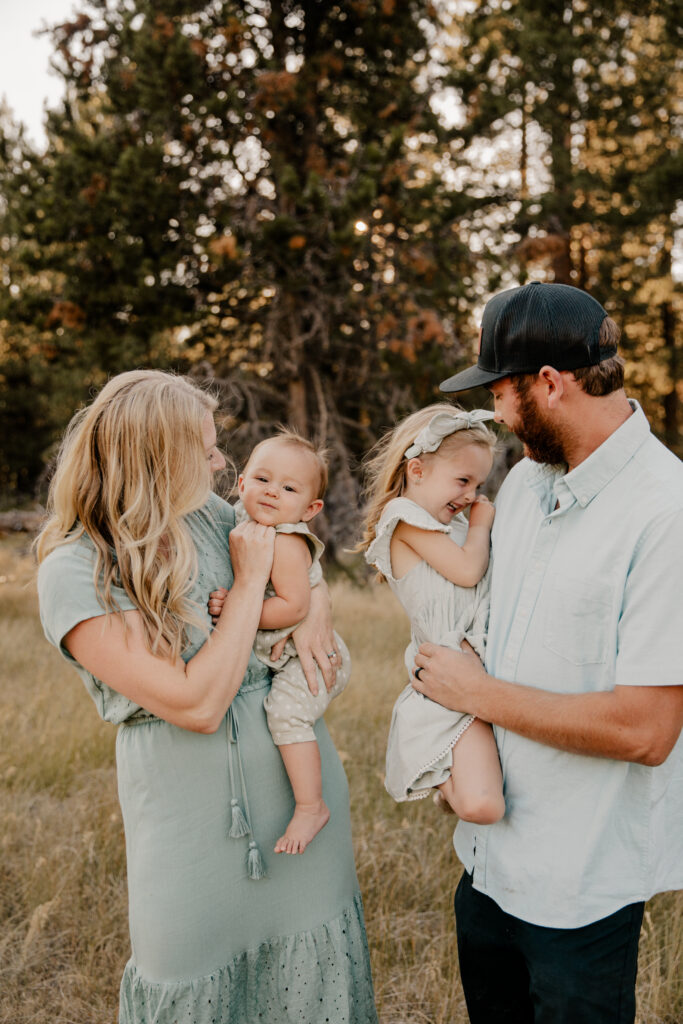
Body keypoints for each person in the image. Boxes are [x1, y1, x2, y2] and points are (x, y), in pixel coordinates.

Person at [36, 370, 378, 1024]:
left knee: (311, 985)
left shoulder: (213, 517)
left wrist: (316, 609)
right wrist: (249, 591)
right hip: (186, 819)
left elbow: (295, 554)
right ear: (158, 454)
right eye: (206, 447)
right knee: (186, 980)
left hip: (298, 797)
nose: (222, 462)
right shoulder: (74, 571)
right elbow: (196, 705)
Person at [412, 281, 683, 1024]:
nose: (495, 416)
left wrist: (475, 695)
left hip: (579, 888)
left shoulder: (666, 513)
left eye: (499, 394)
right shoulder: (528, 482)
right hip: (487, 865)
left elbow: (646, 731)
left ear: (550, 384)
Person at [358, 402, 505, 822]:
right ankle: (444, 782)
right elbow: (466, 571)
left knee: (492, 797)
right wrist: (482, 526)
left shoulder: (447, 525)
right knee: (484, 806)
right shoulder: (402, 518)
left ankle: (452, 780)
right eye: (462, 480)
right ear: (417, 470)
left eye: (478, 484)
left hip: (478, 674)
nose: (472, 495)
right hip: (450, 680)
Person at [208, 429, 351, 855]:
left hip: (306, 658)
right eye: (262, 479)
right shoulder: (240, 520)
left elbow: (291, 607)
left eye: (288, 488)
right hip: (282, 652)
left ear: (310, 508)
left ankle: (311, 806)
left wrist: (234, 604)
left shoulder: (287, 541)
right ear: (241, 483)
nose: (272, 492)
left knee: (286, 715)